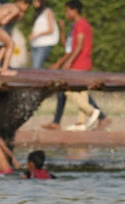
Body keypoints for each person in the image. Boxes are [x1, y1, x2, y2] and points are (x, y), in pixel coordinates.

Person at [46, 0, 100, 132]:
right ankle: (80, 123)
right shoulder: (84, 24)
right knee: (82, 93)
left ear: (74, 10)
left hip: (79, 63)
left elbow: (79, 45)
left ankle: (91, 111)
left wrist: (69, 61)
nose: (66, 14)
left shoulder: (80, 24)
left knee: (68, 90)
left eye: (67, 10)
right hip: (85, 62)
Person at [0, 0, 31, 76]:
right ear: (23, 2)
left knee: (7, 44)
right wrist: (16, 18)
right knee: (11, 44)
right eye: (27, 7)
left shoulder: (9, 5)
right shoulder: (16, 9)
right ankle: (5, 70)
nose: (26, 9)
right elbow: (3, 21)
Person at [29, 0, 59, 69]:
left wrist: (36, 35)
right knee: (35, 67)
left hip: (44, 44)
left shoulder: (48, 11)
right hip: (35, 43)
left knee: (37, 67)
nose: (34, 3)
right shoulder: (38, 13)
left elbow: (51, 29)